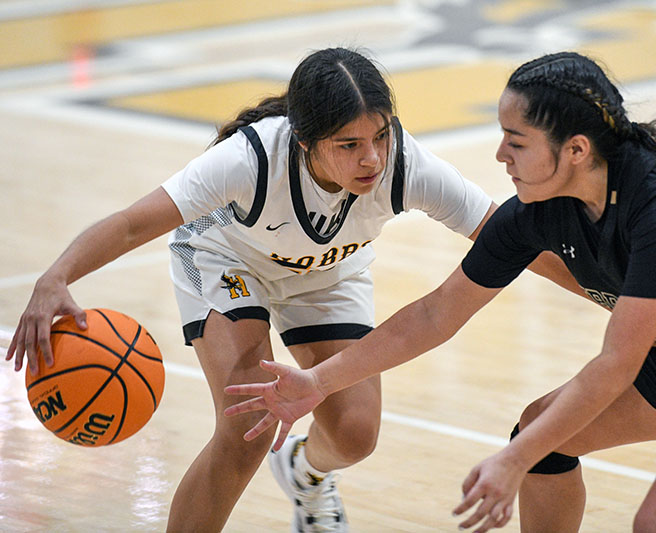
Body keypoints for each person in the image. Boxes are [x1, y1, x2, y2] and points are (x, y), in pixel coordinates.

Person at [4, 47, 582, 533]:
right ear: (304, 141)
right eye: (349, 144)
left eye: (380, 136)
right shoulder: (250, 160)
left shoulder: (406, 166)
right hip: (227, 258)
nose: (373, 158)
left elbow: (514, 237)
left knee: (355, 436)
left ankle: (304, 471)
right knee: (246, 423)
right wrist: (55, 278)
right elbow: (134, 222)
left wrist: (617, 299)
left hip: (327, 271)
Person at [223, 51, 656, 533]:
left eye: (515, 141)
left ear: (575, 150)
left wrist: (511, 463)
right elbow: (434, 314)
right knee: (544, 437)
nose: (500, 155)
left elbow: (618, 363)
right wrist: (317, 383)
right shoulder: (535, 214)